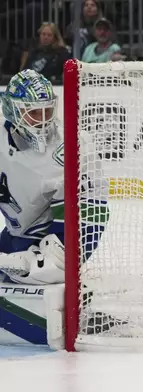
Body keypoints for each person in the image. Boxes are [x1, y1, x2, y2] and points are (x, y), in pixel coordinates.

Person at [0, 70, 66, 285]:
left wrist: (59, 254)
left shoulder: (68, 147)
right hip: (13, 237)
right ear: (12, 109)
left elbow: (92, 213)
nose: (43, 120)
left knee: (46, 272)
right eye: (34, 113)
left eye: (47, 111)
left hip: (49, 240)